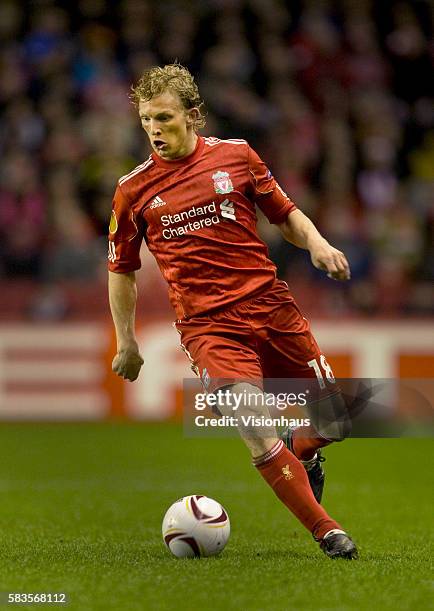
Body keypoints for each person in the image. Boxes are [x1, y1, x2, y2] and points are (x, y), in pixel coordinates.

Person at [108, 63, 358, 560]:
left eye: (164, 117)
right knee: (252, 422)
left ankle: (300, 447)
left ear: (192, 115)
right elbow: (122, 269)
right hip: (208, 328)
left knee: (336, 421)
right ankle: (328, 532)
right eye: (146, 121)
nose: (154, 130)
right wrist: (127, 341)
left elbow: (284, 214)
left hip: (270, 308)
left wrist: (318, 245)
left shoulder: (237, 157)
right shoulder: (132, 192)